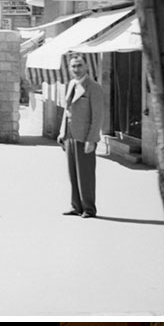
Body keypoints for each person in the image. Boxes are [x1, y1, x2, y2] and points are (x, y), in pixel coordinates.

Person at [57, 55, 105, 218]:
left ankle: (89, 208)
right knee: (72, 172)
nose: (76, 69)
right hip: (70, 134)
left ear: (86, 67)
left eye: (79, 66)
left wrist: (92, 139)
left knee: (85, 173)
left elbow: (97, 116)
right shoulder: (71, 84)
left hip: (84, 137)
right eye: (73, 66)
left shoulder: (94, 87)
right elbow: (67, 110)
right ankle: (76, 206)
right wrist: (62, 132)